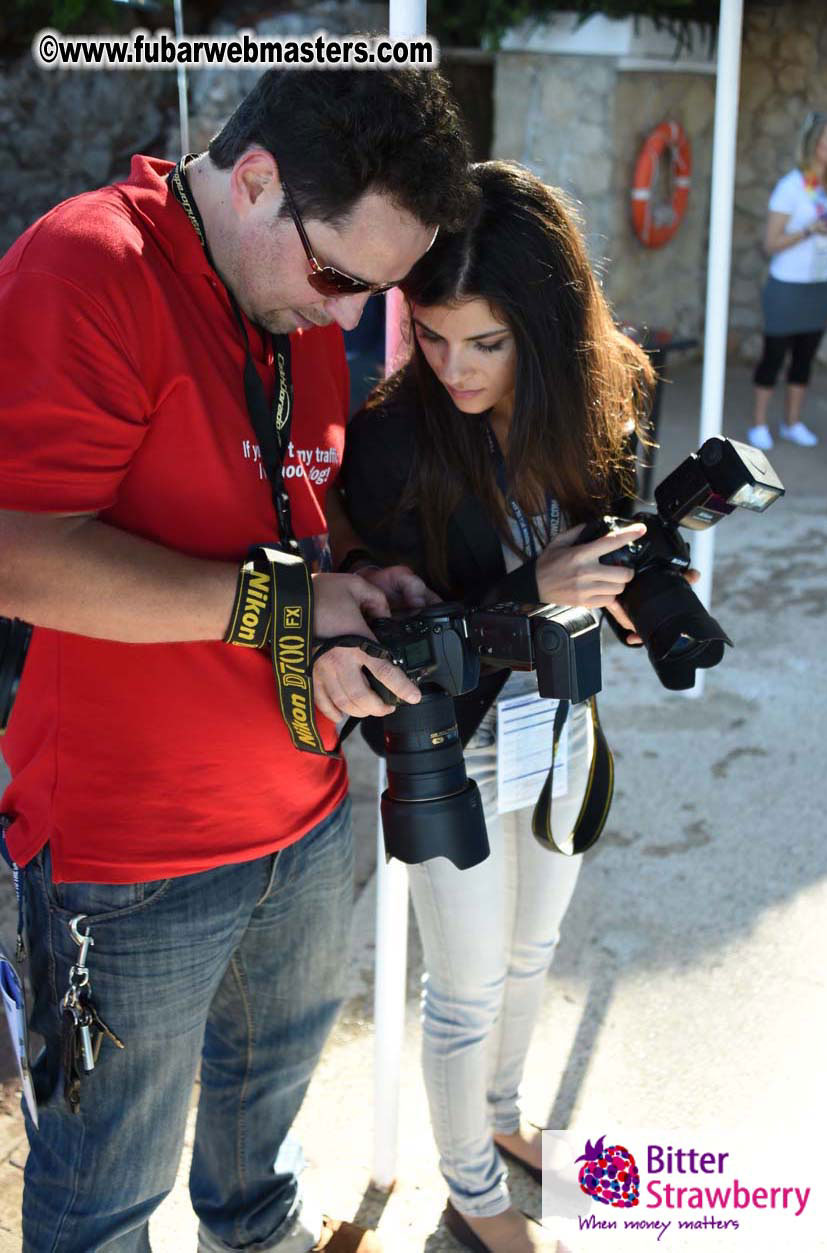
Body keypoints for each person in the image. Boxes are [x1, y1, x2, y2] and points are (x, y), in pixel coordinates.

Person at [0, 67, 475, 1252]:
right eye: (339, 278)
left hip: (305, 825)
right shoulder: (89, 266)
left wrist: (353, 586)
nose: (352, 321)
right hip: (130, 859)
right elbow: (18, 558)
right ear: (254, 179)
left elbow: (292, 522)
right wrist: (285, 607)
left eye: (380, 292)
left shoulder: (290, 303)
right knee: (105, 1200)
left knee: (259, 1175)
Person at [340, 161, 654, 1253]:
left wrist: (640, 592)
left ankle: (506, 1118)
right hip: (452, 743)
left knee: (535, 948)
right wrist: (535, 591)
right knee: (464, 986)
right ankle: (471, 1186)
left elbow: (613, 535)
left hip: (564, 723)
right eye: (431, 336)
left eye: (486, 342)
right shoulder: (388, 436)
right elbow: (393, 646)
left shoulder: (603, 392)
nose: (454, 368)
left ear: (545, 325)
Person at [747, 110, 827, 451]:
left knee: (804, 357)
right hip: (787, 287)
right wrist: (809, 230)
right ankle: (758, 425)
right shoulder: (790, 187)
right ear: (814, 143)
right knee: (774, 356)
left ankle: (792, 423)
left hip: (820, 285)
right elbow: (771, 244)